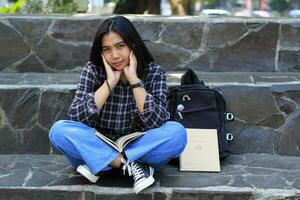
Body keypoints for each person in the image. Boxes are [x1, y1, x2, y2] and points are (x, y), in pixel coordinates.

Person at [48, 16, 187, 194]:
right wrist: (109, 83)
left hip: (138, 147)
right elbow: (76, 117)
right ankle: (128, 164)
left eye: (120, 46)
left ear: (132, 44)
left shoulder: (153, 72)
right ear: (101, 53)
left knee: (177, 133)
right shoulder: (93, 70)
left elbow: (156, 122)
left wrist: (135, 82)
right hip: (97, 144)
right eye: (107, 49)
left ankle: (102, 163)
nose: (114, 55)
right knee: (59, 130)